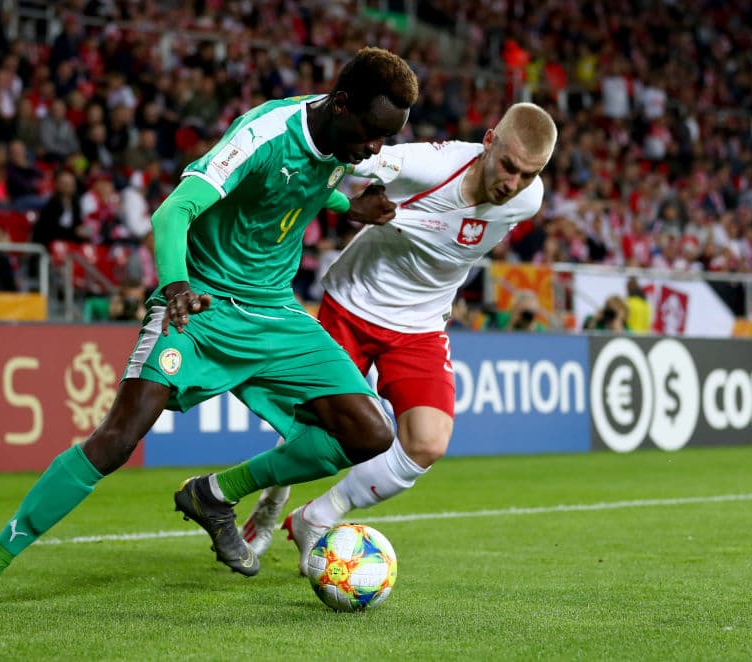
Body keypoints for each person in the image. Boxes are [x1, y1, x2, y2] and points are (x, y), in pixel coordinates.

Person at [0, 47, 419, 615]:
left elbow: (301, 188)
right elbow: (172, 213)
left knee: (370, 434)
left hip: (274, 316)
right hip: (201, 305)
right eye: (372, 134)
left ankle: (215, 494)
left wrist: (349, 207)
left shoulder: (341, 144)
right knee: (116, 439)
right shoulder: (264, 133)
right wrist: (175, 287)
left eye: (385, 139)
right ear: (341, 105)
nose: (375, 150)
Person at [239, 102, 557, 574]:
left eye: (528, 174)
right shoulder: (431, 165)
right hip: (353, 304)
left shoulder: (528, 199)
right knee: (316, 436)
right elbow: (347, 154)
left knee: (427, 443)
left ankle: (316, 518)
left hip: (421, 324)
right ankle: (272, 495)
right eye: (508, 165)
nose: (513, 183)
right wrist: (345, 202)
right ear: (488, 141)